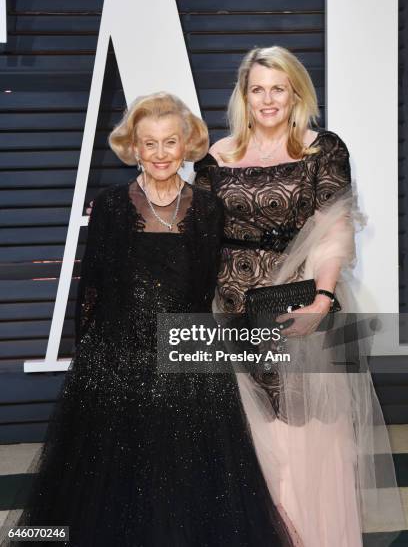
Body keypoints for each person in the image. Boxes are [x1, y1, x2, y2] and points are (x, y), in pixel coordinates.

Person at [0, 92, 295, 547]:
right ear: (134, 148)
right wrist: (94, 362)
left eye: (170, 142)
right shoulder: (112, 207)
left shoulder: (207, 209)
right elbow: (93, 288)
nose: (160, 154)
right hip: (120, 358)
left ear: (186, 146)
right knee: (111, 482)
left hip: (187, 359)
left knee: (191, 478)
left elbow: (203, 290)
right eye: (150, 144)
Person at [194, 46, 406, 547]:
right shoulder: (214, 157)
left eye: (279, 88)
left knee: (309, 433)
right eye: (257, 89)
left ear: (296, 93)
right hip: (230, 309)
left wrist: (323, 300)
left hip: (302, 307)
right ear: (243, 97)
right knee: (247, 437)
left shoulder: (322, 150)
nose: (268, 99)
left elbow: (335, 230)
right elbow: (198, 238)